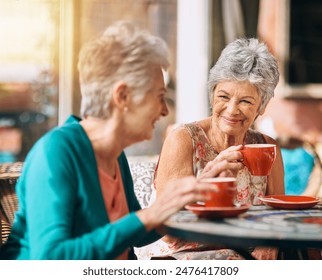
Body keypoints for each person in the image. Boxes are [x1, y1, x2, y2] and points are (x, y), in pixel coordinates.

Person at [0, 21, 214, 260]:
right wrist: (148, 216)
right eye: (160, 97)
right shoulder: (56, 152)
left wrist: (183, 203)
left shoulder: (115, 154)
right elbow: (51, 257)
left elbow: (133, 233)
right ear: (122, 96)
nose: (165, 111)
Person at [150, 38, 285, 260]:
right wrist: (206, 182)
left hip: (248, 254)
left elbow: (279, 217)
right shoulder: (183, 140)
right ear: (212, 94)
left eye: (246, 101)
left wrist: (269, 245)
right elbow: (167, 233)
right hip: (187, 255)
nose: (232, 110)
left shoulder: (267, 148)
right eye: (223, 96)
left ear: (261, 107)